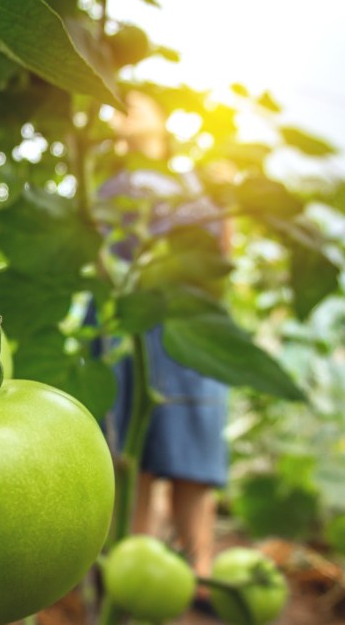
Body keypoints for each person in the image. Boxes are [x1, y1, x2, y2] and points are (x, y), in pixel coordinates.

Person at [92, 168, 230, 609]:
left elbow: (219, 259)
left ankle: (199, 569)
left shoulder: (198, 182)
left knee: (193, 444)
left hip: (184, 318)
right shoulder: (108, 183)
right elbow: (99, 253)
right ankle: (128, 563)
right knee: (132, 452)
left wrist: (224, 198)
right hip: (127, 321)